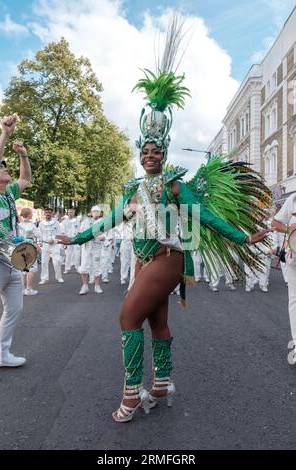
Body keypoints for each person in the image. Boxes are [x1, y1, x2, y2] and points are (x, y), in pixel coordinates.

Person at [57, 16, 271, 422]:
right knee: (155, 319)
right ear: (140, 154)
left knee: (126, 317)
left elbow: (204, 216)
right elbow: (113, 220)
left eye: (156, 150)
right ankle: (162, 382)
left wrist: (242, 238)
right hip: (142, 260)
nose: (150, 155)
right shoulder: (132, 187)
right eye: (145, 151)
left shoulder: (174, 185)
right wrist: (79, 238)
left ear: (164, 151)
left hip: (166, 259)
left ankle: (133, 394)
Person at [0, 115, 32, 381]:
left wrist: (24, 156)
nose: (5, 169)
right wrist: (5, 134)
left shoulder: (8, 193)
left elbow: (26, 179)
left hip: (11, 260)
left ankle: (2, 353)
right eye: (1, 167)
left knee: (15, 309)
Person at [272, 193, 296, 362]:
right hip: (294, 257)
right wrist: (290, 229)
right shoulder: (293, 199)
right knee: (294, 300)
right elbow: (275, 223)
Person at [78, 206, 104, 295]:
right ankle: (85, 286)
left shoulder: (103, 222)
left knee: (97, 266)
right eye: (94, 211)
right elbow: (80, 232)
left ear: (100, 213)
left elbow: (107, 234)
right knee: (84, 266)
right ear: (91, 212)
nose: (96, 213)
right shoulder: (85, 221)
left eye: (97, 211)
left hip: (97, 246)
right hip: (86, 246)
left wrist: (104, 237)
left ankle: (97, 286)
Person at [38, 207, 64, 284]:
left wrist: (54, 240)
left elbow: (59, 233)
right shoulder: (41, 223)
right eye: (46, 212)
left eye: (49, 212)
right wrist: (40, 245)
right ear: (44, 213)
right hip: (45, 244)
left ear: (52, 213)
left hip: (54, 244)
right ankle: (44, 278)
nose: (48, 214)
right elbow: (39, 234)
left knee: (57, 261)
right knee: (44, 262)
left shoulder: (56, 222)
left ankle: (59, 277)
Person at [18, 207, 40, 295]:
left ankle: (22, 289)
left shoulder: (18, 225)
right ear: (28, 214)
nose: (32, 214)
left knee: (23, 268)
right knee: (32, 267)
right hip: (30, 246)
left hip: (20, 246)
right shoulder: (31, 225)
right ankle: (29, 288)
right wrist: (38, 245)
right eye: (31, 213)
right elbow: (38, 235)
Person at [60, 208, 81, 273]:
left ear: (74, 213)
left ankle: (77, 268)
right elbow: (63, 232)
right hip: (68, 240)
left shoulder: (77, 221)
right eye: (69, 212)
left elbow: (79, 230)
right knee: (68, 255)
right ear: (67, 213)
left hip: (75, 239)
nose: (70, 213)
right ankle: (67, 268)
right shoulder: (64, 222)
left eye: (71, 212)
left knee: (77, 255)